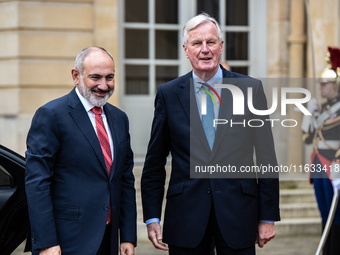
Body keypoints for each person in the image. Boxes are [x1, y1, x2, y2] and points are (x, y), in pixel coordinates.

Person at [141, 13, 280, 255]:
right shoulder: (168, 94)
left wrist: (268, 216)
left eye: (211, 42)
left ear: (221, 46)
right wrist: (151, 217)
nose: (204, 50)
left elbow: (267, 158)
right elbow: (154, 162)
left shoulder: (250, 89)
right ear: (186, 49)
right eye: (197, 43)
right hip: (185, 216)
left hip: (238, 214)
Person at [25, 46, 136, 255]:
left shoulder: (120, 119)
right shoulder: (51, 115)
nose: (104, 85)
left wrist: (128, 236)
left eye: (110, 77)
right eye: (96, 77)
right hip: (66, 242)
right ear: (76, 76)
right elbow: (37, 184)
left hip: (108, 239)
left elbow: (125, 180)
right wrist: (47, 242)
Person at [302, 46, 340, 255]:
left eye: (325, 84)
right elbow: (307, 137)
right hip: (318, 164)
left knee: (337, 215)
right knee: (325, 213)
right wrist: (309, 113)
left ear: (336, 85)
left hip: (335, 165)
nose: (322, 88)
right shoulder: (323, 109)